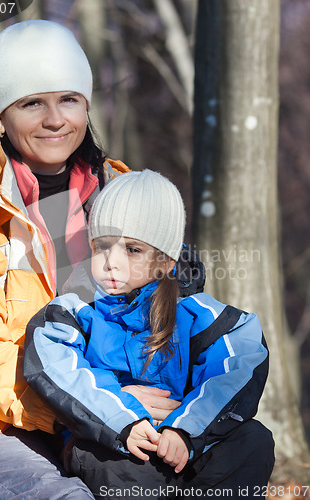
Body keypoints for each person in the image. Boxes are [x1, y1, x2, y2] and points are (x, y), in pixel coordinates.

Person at [0, 20, 178, 500]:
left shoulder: (124, 193)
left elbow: (168, 321)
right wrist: (95, 403)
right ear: (0, 114)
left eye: (69, 99)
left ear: (87, 105)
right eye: (32, 102)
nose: (55, 119)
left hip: (110, 415)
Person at [24, 170, 275, 500]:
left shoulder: (194, 312)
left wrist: (185, 430)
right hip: (114, 442)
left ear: (166, 261)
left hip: (183, 440)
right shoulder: (75, 311)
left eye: (132, 250)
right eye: (102, 246)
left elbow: (239, 359)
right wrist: (124, 417)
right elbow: (58, 367)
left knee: (252, 440)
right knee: (99, 460)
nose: (112, 262)